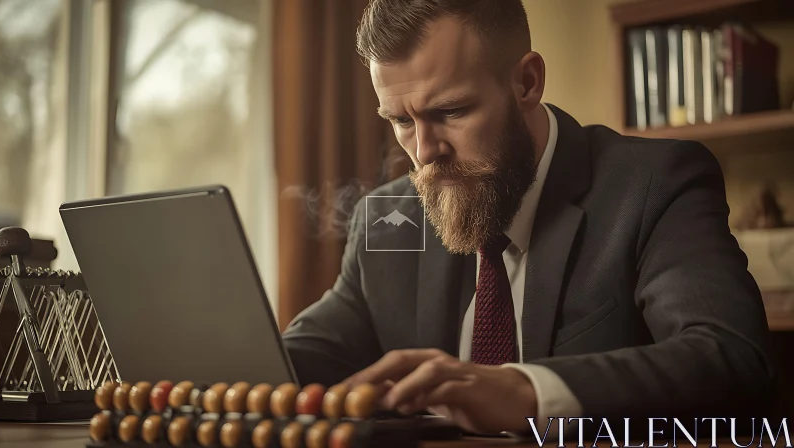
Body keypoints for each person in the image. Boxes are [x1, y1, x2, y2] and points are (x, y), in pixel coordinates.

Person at [281, 0, 772, 438]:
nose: (424, 154)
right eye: (402, 121)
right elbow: (304, 355)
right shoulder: (390, 218)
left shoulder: (655, 185)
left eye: (450, 110)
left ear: (527, 82)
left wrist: (526, 392)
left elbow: (729, 356)